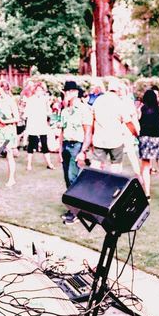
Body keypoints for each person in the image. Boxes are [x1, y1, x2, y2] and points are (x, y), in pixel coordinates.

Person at [88, 78, 137, 173]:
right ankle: (114, 187)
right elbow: (128, 122)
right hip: (116, 140)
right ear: (118, 90)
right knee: (116, 167)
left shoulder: (99, 100)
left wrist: (92, 135)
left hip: (100, 139)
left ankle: (93, 185)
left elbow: (93, 119)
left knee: (96, 166)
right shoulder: (119, 102)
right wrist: (135, 133)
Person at [58, 81, 91, 223]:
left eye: (70, 91)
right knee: (67, 177)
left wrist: (83, 151)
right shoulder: (65, 111)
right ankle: (73, 208)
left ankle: (77, 211)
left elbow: (88, 132)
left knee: (73, 177)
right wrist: (59, 150)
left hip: (77, 145)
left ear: (76, 93)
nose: (67, 94)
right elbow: (62, 131)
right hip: (66, 144)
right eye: (66, 91)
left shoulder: (84, 109)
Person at [0, 80, 19, 187]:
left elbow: (17, 118)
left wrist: (4, 122)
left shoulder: (11, 101)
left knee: (9, 155)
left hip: (9, 130)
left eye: (0, 88)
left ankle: (11, 179)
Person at [21, 82, 54, 171]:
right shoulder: (30, 99)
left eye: (41, 90)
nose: (39, 91)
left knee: (44, 143)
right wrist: (24, 116)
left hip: (42, 124)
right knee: (31, 144)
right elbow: (27, 111)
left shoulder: (45, 100)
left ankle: (49, 164)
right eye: (37, 90)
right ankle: (29, 164)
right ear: (34, 91)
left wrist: (48, 109)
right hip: (33, 124)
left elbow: (49, 112)